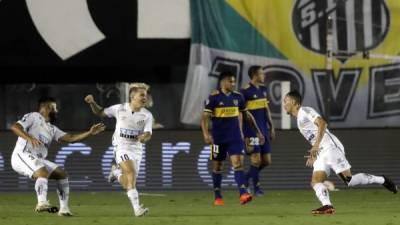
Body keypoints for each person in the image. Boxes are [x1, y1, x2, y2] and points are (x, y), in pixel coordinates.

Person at [283, 90, 398, 214]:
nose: (284, 104)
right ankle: (327, 206)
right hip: (321, 151)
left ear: (294, 103)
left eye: (285, 101)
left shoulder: (305, 111)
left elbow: (322, 123)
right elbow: (314, 134)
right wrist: (314, 152)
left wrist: (316, 145)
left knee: (349, 180)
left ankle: (382, 180)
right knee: (315, 181)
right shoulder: (299, 119)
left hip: (330, 147)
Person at [10, 97, 105, 216]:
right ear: (47, 108)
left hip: (37, 159)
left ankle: (64, 210)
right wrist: (29, 137)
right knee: (42, 171)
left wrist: (89, 133)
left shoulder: (51, 129)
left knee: (61, 174)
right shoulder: (33, 116)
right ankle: (41, 203)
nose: (57, 111)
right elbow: (15, 127)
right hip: (21, 155)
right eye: (55, 108)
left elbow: (71, 138)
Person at [84, 83, 153, 217]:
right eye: (142, 95)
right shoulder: (119, 108)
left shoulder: (147, 115)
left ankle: (116, 172)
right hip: (121, 147)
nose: (146, 97)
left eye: (146, 95)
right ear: (133, 96)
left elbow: (148, 134)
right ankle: (137, 209)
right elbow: (100, 112)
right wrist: (92, 102)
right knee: (131, 173)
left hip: (137, 149)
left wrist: (144, 137)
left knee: (128, 183)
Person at [201, 71, 265, 206]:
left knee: (238, 163)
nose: (233, 84)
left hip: (235, 137)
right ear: (223, 82)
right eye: (230, 81)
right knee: (217, 166)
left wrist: (258, 132)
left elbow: (247, 116)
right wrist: (206, 134)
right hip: (218, 139)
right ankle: (218, 196)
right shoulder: (213, 98)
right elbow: (205, 118)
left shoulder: (238, 97)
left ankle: (243, 194)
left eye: (234, 81)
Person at [240, 66, 275, 196]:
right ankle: (257, 189)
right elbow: (242, 114)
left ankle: (245, 178)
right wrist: (243, 133)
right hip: (251, 131)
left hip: (263, 130)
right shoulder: (245, 91)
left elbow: (267, 109)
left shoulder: (263, 90)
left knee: (266, 161)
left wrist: (272, 126)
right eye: (262, 74)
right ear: (254, 75)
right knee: (256, 160)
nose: (264, 76)